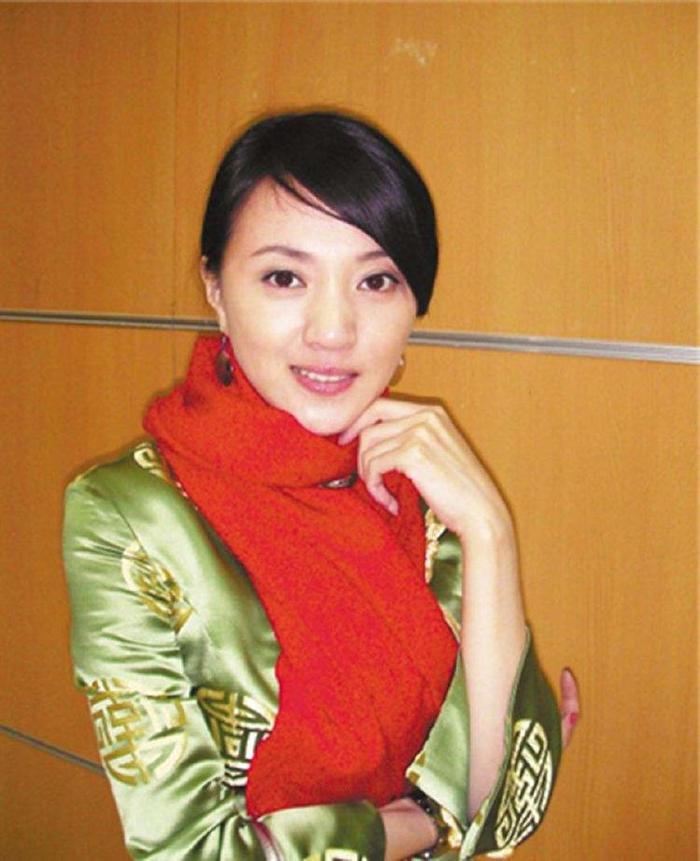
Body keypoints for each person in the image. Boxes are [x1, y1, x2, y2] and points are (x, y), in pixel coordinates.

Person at [63, 111, 579, 861]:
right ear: (215, 286)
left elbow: (506, 806)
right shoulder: (129, 512)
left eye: (375, 280)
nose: (333, 329)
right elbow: (193, 852)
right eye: (285, 276)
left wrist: (492, 531)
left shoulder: (420, 490)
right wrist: (426, 826)